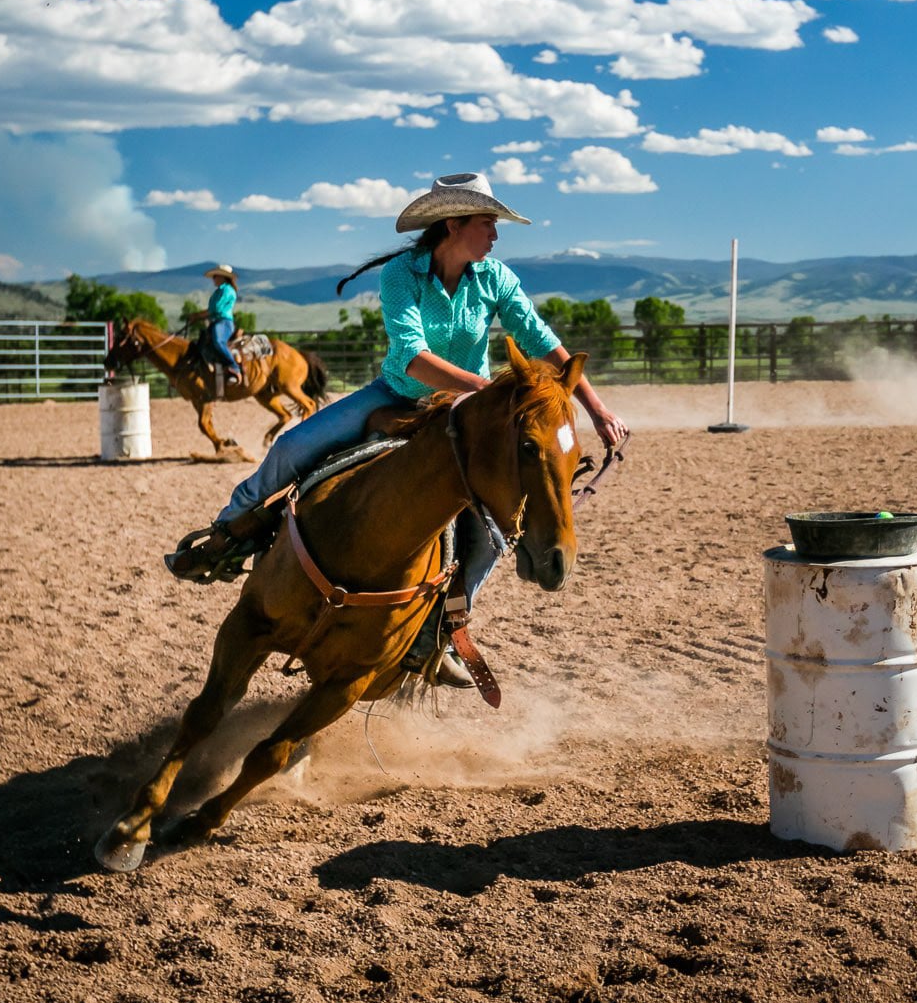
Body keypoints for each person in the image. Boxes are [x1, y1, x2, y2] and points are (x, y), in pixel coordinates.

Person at [169, 173, 628, 679]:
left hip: (461, 415)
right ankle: (227, 533)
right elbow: (411, 356)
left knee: (495, 530)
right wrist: (484, 390)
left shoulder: (494, 277)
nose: (495, 235)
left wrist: (596, 408)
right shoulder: (402, 275)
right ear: (454, 223)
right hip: (395, 394)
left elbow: (542, 339)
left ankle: (445, 628)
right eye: (487, 223)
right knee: (293, 446)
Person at [198, 264, 241, 394]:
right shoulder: (219, 291)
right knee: (201, 344)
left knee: (218, 341)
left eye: (215, 276)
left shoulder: (227, 290)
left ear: (223, 277)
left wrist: (199, 315)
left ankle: (234, 366)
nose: (213, 279)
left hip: (224, 322)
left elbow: (216, 309)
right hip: (216, 321)